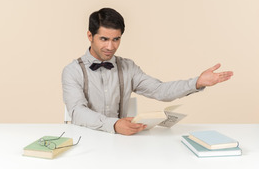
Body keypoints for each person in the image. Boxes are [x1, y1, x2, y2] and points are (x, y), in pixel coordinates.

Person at [62, 8, 233, 135]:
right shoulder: (73, 71)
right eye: (104, 39)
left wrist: (196, 82)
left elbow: (159, 90)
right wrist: (114, 125)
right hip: (84, 140)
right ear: (90, 36)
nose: (110, 46)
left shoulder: (128, 67)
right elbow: (77, 112)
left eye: (116, 39)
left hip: (121, 143)